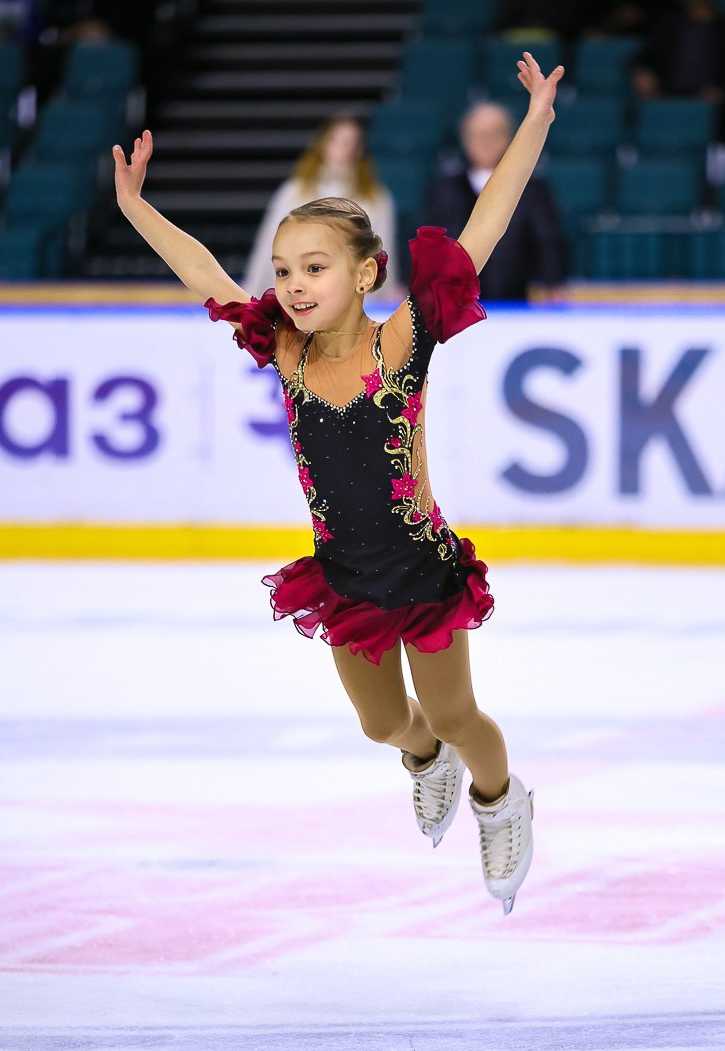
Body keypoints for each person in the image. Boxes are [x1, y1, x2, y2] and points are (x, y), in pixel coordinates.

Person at [112, 51, 565, 912]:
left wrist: (536, 120)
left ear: (365, 274)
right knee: (384, 725)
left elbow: (486, 223)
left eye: (312, 268)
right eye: (283, 271)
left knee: (459, 715)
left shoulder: (402, 343)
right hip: (347, 576)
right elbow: (208, 276)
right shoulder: (285, 350)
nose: (291, 285)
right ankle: (422, 761)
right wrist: (137, 207)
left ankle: (501, 802)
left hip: (422, 576)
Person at [245, 115, 401, 301]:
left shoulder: (375, 199)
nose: (346, 149)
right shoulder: (294, 193)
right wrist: (251, 293)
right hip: (297, 297)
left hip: (352, 301)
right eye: (338, 140)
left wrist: (384, 296)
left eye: (353, 142)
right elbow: (268, 248)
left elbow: (382, 252)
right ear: (322, 143)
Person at [426, 101, 567, 302]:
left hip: (515, 298)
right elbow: (430, 238)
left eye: (494, 134)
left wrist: (553, 282)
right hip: (455, 301)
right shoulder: (445, 187)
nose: (486, 142)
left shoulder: (531, 186)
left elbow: (546, 237)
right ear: (465, 140)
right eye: (478, 135)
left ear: (509, 138)